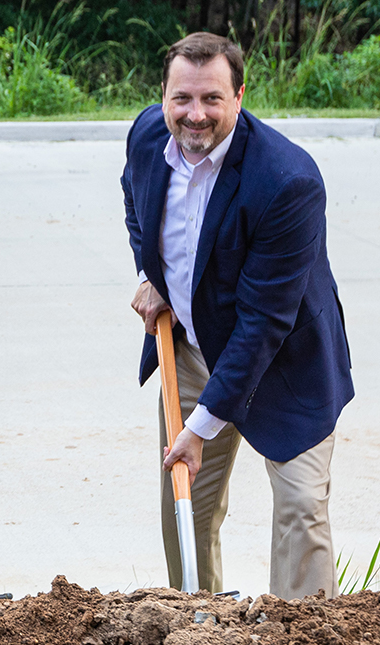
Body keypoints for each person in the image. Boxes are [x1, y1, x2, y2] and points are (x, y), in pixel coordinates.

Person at [121, 32, 353, 599]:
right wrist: (152, 274)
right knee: (186, 510)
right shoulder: (149, 137)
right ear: (164, 95)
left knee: (301, 509)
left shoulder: (287, 181)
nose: (194, 115)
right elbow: (135, 200)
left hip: (284, 366)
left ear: (240, 96)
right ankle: (197, 625)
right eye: (182, 99)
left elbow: (263, 322)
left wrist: (200, 429)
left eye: (212, 100)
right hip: (196, 351)